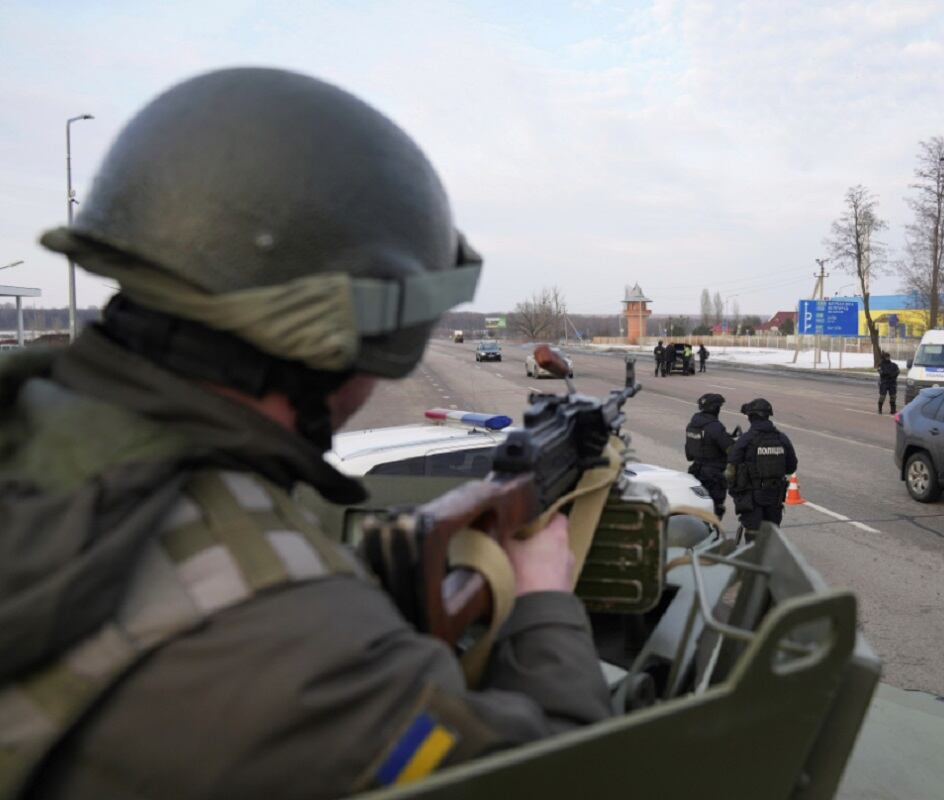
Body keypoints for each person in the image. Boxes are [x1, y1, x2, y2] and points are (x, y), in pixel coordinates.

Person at [0, 69, 609, 800]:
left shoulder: (28, 412)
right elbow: (570, 779)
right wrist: (543, 596)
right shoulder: (312, 656)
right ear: (355, 334)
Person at [726, 398, 797, 541]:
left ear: (751, 417)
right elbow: (791, 467)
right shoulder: (782, 438)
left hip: (752, 499)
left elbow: (731, 468)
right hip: (775, 497)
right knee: (770, 536)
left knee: (753, 537)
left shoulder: (745, 440)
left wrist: (735, 493)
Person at [685, 393, 736, 518]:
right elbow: (731, 450)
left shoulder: (692, 425)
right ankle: (713, 535)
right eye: (719, 407)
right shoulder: (715, 427)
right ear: (714, 408)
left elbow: (689, 454)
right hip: (714, 475)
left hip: (696, 471)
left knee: (699, 506)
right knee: (715, 509)